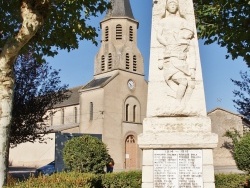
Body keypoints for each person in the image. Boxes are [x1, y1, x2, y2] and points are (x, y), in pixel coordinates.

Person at [157, 0, 196, 109]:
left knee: (191, 85)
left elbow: (192, 53)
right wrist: (167, 44)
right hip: (171, 60)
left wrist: (192, 68)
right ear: (167, 7)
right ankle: (178, 102)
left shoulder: (183, 22)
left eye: (175, 4)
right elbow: (159, 36)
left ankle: (182, 105)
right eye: (170, 4)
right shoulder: (163, 21)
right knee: (183, 82)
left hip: (182, 63)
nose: (173, 6)